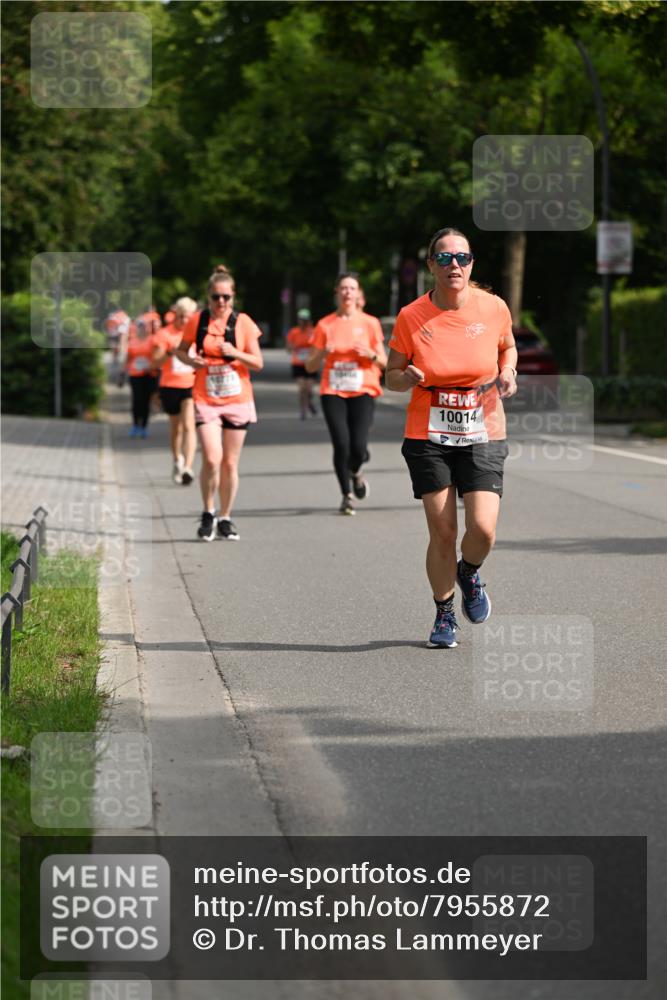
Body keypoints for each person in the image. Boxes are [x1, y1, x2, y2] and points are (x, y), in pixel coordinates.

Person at [385, 227, 518, 648]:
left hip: (483, 427)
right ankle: (444, 612)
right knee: (442, 531)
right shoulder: (411, 317)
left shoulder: (493, 308)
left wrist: (508, 371)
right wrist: (404, 377)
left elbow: (507, 347)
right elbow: (389, 376)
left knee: (483, 528)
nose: (454, 265)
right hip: (429, 431)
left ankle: (469, 571)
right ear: (431, 266)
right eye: (444, 259)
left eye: (462, 258)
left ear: (472, 262)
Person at [175, 264, 263, 541]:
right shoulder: (197, 321)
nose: (221, 302)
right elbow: (180, 350)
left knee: (229, 463)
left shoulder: (244, 323)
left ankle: (225, 517)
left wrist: (234, 351)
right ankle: (207, 511)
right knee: (212, 459)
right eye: (216, 297)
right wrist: (191, 360)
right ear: (208, 296)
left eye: (226, 297)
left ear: (233, 297)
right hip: (206, 398)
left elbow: (257, 362)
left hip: (237, 399)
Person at [305, 272, 387, 515]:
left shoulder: (370, 323)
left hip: (363, 389)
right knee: (341, 444)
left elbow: (384, 361)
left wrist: (369, 355)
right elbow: (309, 366)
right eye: (343, 288)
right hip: (333, 390)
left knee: (358, 447)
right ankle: (346, 495)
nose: (347, 292)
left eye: (352, 288)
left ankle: (357, 471)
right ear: (337, 293)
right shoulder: (325, 325)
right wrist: (322, 354)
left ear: (358, 293)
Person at [152, 296, 198, 484]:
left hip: (191, 384)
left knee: (189, 425)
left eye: (188, 317)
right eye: (180, 317)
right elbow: (155, 362)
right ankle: (177, 459)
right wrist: (170, 352)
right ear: (175, 316)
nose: (184, 321)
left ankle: (188, 467)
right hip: (170, 385)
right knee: (176, 427)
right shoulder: (165, 334)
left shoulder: (197, 334)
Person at [125, 318, 159, 438]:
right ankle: (135, 425)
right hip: (135, 375)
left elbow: (158, 356)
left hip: (149, 375)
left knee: (145, 401)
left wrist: (153, 366)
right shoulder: (132, 341)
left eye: (144, 326)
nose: (142, 329)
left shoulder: (152, 340)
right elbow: (128, 358)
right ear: (136, 328)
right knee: (136, 400)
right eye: (139, 326)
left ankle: (144, 427)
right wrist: (123, 371)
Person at [286, 308, 317, 418]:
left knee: (309, 388)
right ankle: (303, 409)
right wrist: (294, 347)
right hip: (297, 363)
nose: (303, 322)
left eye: (305, 320)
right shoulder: (294, 332)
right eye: (301, 319)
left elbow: (317, 347)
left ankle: (309, 402)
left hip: (310, 363)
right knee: (301, 388)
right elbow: (288, 348)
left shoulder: (313, 332)